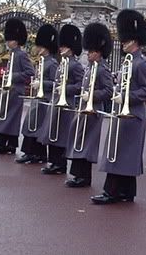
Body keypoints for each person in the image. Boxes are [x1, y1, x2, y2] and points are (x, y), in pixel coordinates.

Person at [91, 9, 146, 204]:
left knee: (121, 153)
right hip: (123, 113)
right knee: (122, 153)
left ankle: (112, 191)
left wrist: (125, 97)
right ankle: (127, 191)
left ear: (133, 40)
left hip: (133, 114)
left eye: (125, 40)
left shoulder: (142, 64)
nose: (123, 42)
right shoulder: (128, 62)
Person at [65, 23, 113, 188]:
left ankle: (84, 178)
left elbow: (108, 91)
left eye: (91, 52)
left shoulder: (102, 70)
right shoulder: (90, 68)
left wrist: (91, 95)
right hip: (84, 109)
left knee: (87, 144)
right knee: (79, 141)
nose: (88, 54)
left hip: (93, 111)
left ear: (98, 52)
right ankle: (78, 174)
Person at [39, 24, 84, 175]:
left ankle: (61, 164)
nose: (60, 48)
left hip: (67, 105)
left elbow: (79, 85)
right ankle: (53, 161)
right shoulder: (61, 63)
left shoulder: (76, 66)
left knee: (62, 135)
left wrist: (65, 89)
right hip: (56, 102)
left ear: (70, 48)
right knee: (53, 133)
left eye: (64, 46)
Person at [16, 24, 59, 164]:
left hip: (45, 100)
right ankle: (32, 152)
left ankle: (37, 154)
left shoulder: (52, 64)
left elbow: (54, 83)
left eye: (40, 46)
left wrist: (41, 84)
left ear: (46, 47)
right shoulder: (41, 62)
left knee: (38, 127)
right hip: (37, 99)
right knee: (31, 125)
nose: (38, 48)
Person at [0, 19, 34, 154]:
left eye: (10, 39)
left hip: (16, 91)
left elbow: (30, 72)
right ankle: (9, 144)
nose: (7, 42)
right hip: (9, 91)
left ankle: (2, 143)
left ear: (15, 40)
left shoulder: (21, 54)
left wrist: (12, 76)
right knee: (6, 117)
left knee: (11, 118)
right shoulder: (13, 53)